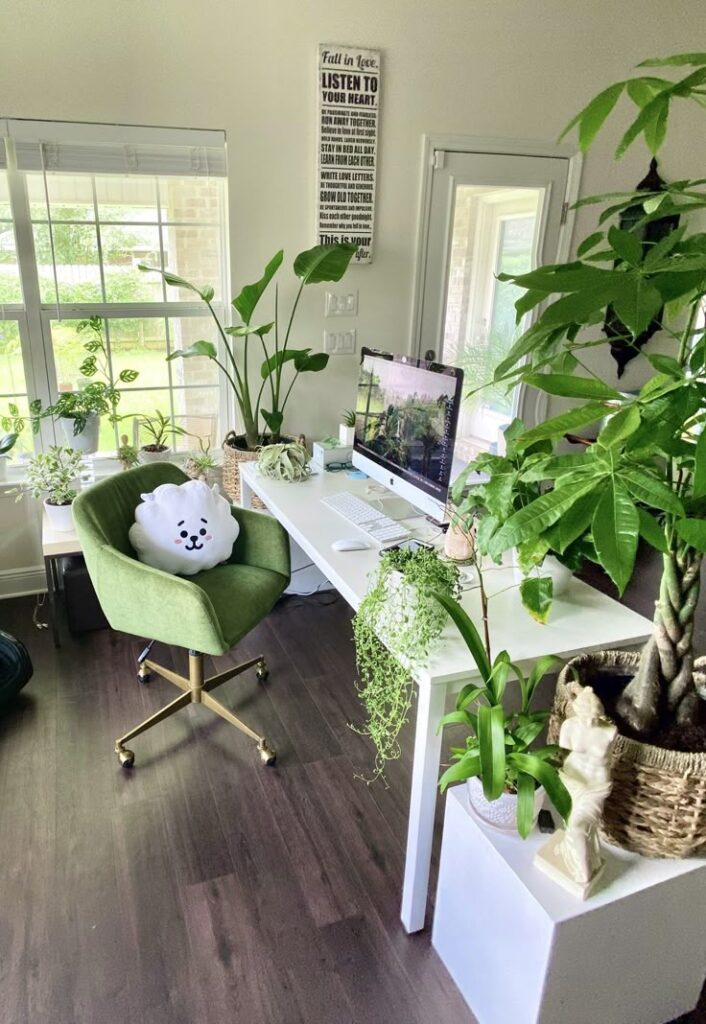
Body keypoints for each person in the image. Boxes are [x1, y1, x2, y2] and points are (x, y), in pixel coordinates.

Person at [557, 686, 617, 885]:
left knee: (578, 827)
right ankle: (573, 850)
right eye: (586, 717)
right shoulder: (569, 727)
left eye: (595, 717)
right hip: (572, 780)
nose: (591, 722)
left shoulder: (609, 731)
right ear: (577, 710)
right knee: (570, 822)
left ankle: (584, 870)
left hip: (595, 788)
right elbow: (564, 753)